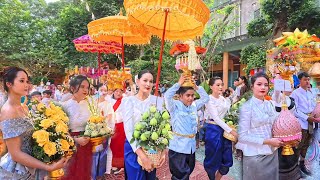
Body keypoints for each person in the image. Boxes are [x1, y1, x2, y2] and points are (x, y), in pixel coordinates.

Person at [0, 67, 67, 179]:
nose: (26, 85)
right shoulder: (8, 111)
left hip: (30, 165)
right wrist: (48, 167)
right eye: (21, 81)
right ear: (9, 84)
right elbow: (15, 154)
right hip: (16, 172)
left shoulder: (24, 107)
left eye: (27, 81)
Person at [236, 72, 284, 180]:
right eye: (259, 84)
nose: (263, 87)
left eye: (266, 85)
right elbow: (242, 136)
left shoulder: (270, 104)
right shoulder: (247, 107)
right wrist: (268, 141)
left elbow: (276, 122)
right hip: (255, 155)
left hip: (272, 153)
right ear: (252, 86)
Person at [122, 69, 166, 180]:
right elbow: (128, 130)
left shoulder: (158, 101)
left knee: (150, 177)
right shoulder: (128, 101)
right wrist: (142, 156)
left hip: (151, 149)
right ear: (137, 81)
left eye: (151, 81)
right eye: (145, 80)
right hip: (133, 148)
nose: (148, 84)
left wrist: (163, 151)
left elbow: (163, 127)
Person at [165, 75, 209, 180]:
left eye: (192, 95)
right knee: (180, 176)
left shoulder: (194, 105)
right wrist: (179, 84)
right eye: (187, 95)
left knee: (188, 172)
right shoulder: (174, 106)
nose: (190, 98)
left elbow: (206, 98)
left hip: (191, 148)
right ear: (180, 96)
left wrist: (196, 87)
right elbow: (167, 95)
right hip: (178, 148)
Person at [204, 77, 237, 180]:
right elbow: (216, 118)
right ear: (211, 86)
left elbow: (231, 108)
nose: (221, 87)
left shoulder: (223, 98)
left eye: (222, 84)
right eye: (217, 85)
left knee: (227, 159)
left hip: (224, 130)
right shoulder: (209, 99)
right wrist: (231, 130)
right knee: (212, 158)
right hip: (213, 130)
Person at [62, 75, 92, 180]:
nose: (85, 90)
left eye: (87, 87)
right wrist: (75, 139)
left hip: (87, 144)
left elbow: (93, 123)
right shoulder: (65, 106)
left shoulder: (90, 104)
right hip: (71, 145)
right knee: (71, 173)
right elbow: (60, 131)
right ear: (73, 88)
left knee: (84, 172)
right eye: (82, 87)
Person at [290, 72, 317, 176]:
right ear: (300, 80)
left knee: (306, 144)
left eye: (308, 79)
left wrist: (315, 115)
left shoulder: (310, 93)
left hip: (311, 122)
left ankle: (302, 164)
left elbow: (314, 105)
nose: (307, 81)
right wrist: (306, 117)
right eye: (305, 79)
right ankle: (294, 167)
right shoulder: (295, 93)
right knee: (299, 145)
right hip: (301, 123)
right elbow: (294, 110)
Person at [272, 89, 301, 180]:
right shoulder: (277, 97)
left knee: (292, 157)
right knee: (281, 159)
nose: (290, 88)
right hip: (279, 134)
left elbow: (296, 113)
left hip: (292, 134)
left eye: (291, 85)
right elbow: (276, 94)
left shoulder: (291, 99)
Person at [108, 85, 126, 174]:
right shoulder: (109, 101)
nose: (118, 93)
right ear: (113, 92)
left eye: (120, 91)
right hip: (111, 125)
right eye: (116, 91)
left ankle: (121, 164)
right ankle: (113, 164)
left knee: (120, 145)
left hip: (121, 125)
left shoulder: (125, 100)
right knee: (112, 145)